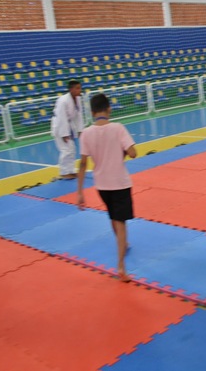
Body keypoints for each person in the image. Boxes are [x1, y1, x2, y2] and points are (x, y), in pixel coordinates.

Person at [77, 93, 136, 283]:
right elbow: (133, 153)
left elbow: (83, 164)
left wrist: (80, 192)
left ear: (92, 112)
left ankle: (123, 244)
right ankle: (121, 265)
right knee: (121, 222)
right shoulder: (118, 128)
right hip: (119, 183)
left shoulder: (86, 133)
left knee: (113, 217)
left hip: (101, 185)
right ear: (109, 109)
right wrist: (121, 153)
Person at [51, 80, 85, 179]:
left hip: (69, 125)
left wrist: (80, 130)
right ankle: (64, 172)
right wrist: (64, 134)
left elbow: (79, 115)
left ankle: (71, 170)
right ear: (71, 89)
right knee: (66, 149)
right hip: (59, 126)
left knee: (72, 149)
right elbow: (61, 118)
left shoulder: (78, 99)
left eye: (80, 88)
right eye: (77, 88)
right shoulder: (63, 101)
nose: (79, 90)